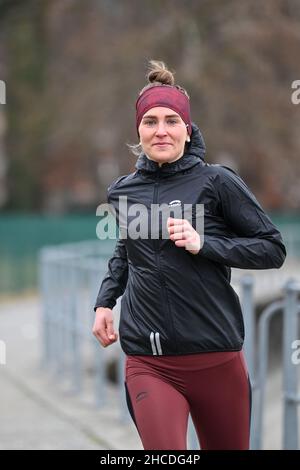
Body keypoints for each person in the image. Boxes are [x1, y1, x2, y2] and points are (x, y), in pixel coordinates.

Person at [92, 60, 286, 450]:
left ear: (187, 128)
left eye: (170, 121)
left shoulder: (218, 181)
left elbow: (272, 248)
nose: (160, 130)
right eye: (150, 122)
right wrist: (104, 302)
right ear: (138, 131)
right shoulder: (122, 191)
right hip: (148, 359)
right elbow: (124, 250)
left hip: (215, 355)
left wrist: (205, 244)